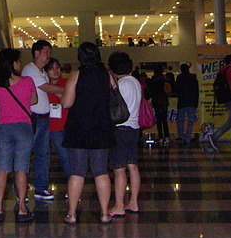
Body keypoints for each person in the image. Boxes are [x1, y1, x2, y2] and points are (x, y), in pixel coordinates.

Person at [61, 42, 116, 225]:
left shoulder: (77, 75)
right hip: (101, 127)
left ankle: (72, 214)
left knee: (77, 171)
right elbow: (115, 96)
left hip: (79, 128)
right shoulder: (107, 75)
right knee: (100, 171)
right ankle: (104, 213)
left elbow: (66, 103)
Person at [0, 48, 37, 223]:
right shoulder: (27, 81)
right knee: (21, 168)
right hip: (23, 127)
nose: (20, 64)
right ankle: (22, 209)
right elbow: (33, 101)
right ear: (13, 63)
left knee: (2, 168)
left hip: (3, 128)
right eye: (18, 61)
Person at [20, 40, 63, 200]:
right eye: (47, 52)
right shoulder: (30, 70)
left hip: (44, 119)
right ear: (37, 53)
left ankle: (41, 188)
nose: (49, 56)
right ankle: (21, 191)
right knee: (26, 154)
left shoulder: (42, 72)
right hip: (34, 119)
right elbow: (47, 88)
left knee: (43, 154)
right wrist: (70, 90)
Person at [107, 52, 142, 217]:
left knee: (119, 169)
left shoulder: (120, 85)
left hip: (120, 129)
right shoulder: (135, 82)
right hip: (134, 128)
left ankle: (119, 206)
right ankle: (133, 202)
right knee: (133, 166)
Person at [208, 55, 231, 150]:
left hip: (224, 98)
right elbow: (230, 84)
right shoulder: (229, 71)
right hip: (229, 98)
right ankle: (214, 137)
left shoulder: (222, 70)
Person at [44, 58, 70, 180]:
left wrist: (53, 90)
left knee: (70, 157)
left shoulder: (67, 82)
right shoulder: (43, 85)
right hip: (53, 126)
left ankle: (73, 186)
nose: (55, 71)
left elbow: (68, 100)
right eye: (52, 68)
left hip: (69, 125)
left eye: (57, 68)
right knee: (63, 156)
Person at [174, 62, 199, 143]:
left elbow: (177, 89)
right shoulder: (193, 77)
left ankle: (181, 136)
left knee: (180, 120)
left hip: (182, 102)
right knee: (190, 120)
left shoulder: (179, 78)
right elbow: (196, 90)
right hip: (192, 101)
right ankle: (188, 136)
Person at [149, 66, 170, 146]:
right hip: (164, 99)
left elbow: (151, 91)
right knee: (164, 119)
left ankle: (160, 136)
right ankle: (167, 136)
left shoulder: (153, 80)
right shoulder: (164, 79)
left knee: (158, 119)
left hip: (156, 100)